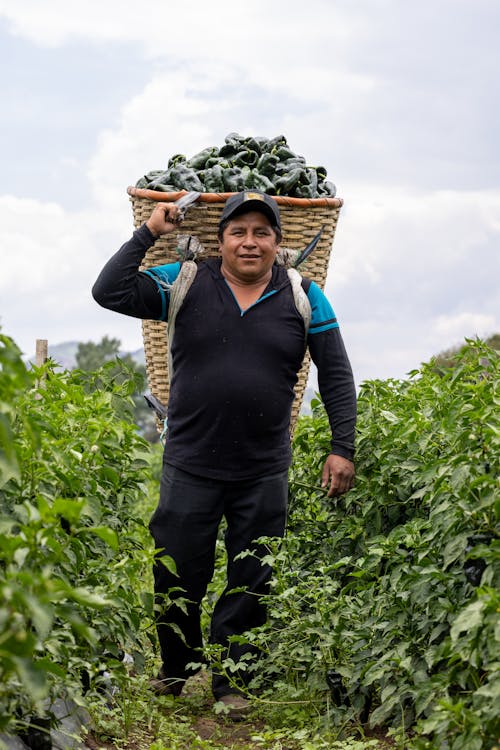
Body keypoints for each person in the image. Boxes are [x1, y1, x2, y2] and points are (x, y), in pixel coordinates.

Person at [92, 190, 356, 719]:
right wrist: (150, 233)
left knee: (253, 575)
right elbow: (109, 291)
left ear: (279, 243)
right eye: (239, 232)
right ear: (222, 240)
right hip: (190, 459)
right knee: (177, 569)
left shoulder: (305, 295)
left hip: (262, 468)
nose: (250, 242)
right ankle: (177, 665)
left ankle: (233, 681)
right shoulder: (185, 281)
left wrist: (341, 447)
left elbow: (337, 374)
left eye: (262, 232)